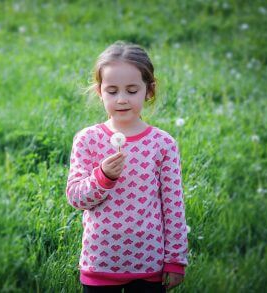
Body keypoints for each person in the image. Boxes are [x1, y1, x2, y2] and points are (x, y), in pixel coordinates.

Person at [65, 41, 189, 293]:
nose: (122, 100)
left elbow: (173, 204)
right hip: (100, 262)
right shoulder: (87, 139)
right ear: (100, 92)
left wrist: (175, 260)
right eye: (112, 91)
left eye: (132, 91)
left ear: (149, 91)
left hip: (149, 264)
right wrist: (103, 177)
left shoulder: (162, 144)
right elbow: (76, 198)